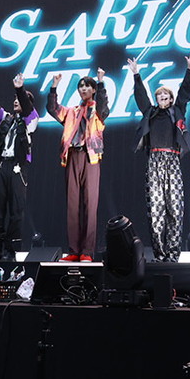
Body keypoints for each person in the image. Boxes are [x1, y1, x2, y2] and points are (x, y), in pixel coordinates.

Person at [128, 55, 190, 262]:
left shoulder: (177, 111)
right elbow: (141, 96)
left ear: (171, 99)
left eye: (166, 96)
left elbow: (185, 92)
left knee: (175, 208)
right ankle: (159, 253)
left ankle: (173, 253)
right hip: (154, 161)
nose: (163, 99)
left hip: (172, 161)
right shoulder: (150, 112)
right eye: (160, 96)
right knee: (155, 209)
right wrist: (136, 74)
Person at [47, 69, 110, 262]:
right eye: (81, 86)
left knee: (89, 204)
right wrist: (54, 87)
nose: (83, 89)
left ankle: (87, 251)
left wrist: (100, 82)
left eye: (87, 86)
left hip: (91, 156)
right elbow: (52, 109)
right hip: (72, 156)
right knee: (72, 204)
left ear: (93, 90)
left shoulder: (98, 110)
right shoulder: (71, 111)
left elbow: (103, 105)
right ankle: (74, 250)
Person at [0, 73, 39, 261]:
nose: (16, 101)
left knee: (16, 210)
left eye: (19, 99)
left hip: (18, 167)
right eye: (14, 98)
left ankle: (10, 250)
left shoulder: (31, 119)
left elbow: (27, 106)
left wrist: (20, 89)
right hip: (2, 165)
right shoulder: (6, 119)